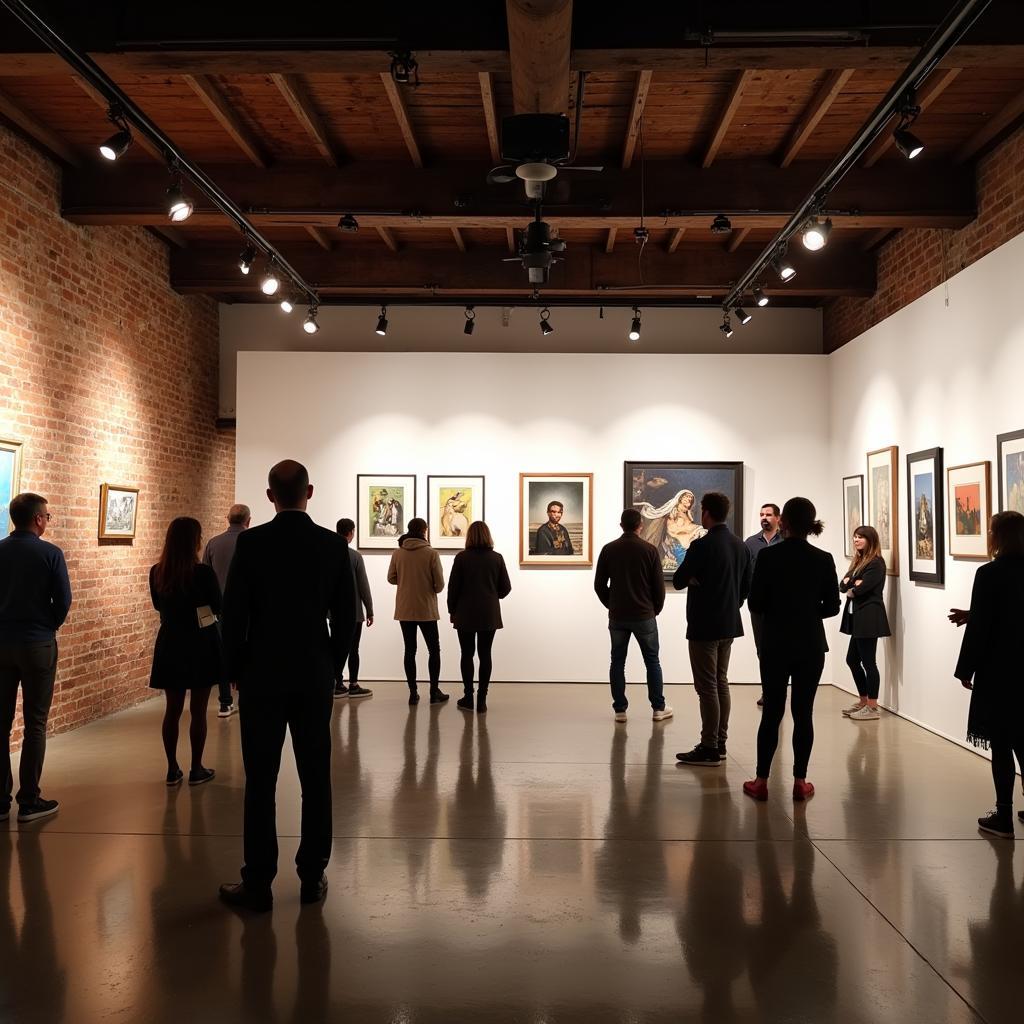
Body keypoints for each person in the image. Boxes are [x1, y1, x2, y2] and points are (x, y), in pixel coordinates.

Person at [218, 460, 354, 912]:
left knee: (260, 779)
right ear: (309, 492)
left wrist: (235, 667)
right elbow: (347, 618)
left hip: (262, 673)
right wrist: (330, 664)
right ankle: (312, 874)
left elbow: (234, 615)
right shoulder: (332, 545)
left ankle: (258, 880)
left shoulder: (253, 543)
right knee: (316, 775)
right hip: (312, 672)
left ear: (270, 495)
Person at [743, 497, 840, 801]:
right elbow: (833, 606)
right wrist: (808, 612)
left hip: (775, 643)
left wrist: (780, 611)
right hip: (810, 644)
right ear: (811, 523)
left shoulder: (769, 558)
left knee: (771, 712)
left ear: (783, 521)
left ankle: (761, 781)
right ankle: (800, 781)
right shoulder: (823, 559)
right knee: (803, 712)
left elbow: (755, 603)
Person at [0, 492, 71, 823]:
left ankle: (0, 801)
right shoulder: (50, 553)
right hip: (38, 644)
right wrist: (47, 625)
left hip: (2, 643)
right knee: (36, 723)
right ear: (38, 519)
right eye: (47, 516)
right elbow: (63, 601)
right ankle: (29, 799)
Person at [952, 511, 1024, 838]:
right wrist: (974, 614)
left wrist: (965, 669)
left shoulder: (989, 574)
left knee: (1001, 743)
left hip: (999, 671)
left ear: (998, 536)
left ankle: (1004, 816)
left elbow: (982, 628)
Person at [673, 492, 751, 766]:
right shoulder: (740, 546)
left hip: (704, 624)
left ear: (706, 512)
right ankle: (720, 743)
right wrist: (732, 603)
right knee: (720, 682)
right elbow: (746, 588)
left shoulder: (701, 546)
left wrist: (696, 579)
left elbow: (680, 580)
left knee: (706, 686)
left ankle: (709, 746)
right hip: (728, 623)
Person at [149, 517, 223, 787]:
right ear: (195, 540)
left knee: (172, 709)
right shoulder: (202, 573)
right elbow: (217, 605)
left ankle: (171, 769)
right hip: (200, 641)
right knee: (199, 710)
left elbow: (158, 606)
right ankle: (196, 767)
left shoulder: (157, 571)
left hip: (170, 641)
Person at [593, 507, 671, 723]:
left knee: (617, 661)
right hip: (644, 614)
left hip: (618, 615)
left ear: (621, 525)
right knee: (652, 661)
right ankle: (658, 708)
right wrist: (655, 609)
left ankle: (620, 710)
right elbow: (659, 587)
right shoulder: (649, 550)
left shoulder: (609, 549)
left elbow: (599, 585)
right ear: (640, 526)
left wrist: (611, 604)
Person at [447, 521, 511, 713]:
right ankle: (482, 699)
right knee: (485, 654)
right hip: (488, 612)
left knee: (466, 654)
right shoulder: (496, 558)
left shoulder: (461, 558)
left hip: (465, 613)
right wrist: (492, 594)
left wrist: (452, 611)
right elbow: (506, 588)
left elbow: (453, 588)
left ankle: (468, 696)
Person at [388, 517, 447, 705]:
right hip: (426, 609)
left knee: (409, 650)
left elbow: (391, 578)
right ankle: (433, 691)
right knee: (433, 650)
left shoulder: (398, 553)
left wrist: (406, 582)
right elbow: (439, 586)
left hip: (405, 608)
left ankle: (413, 693)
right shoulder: (431, 554)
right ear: (424, 531)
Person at [202, 503, 251, 718]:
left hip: (221, 611)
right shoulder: (252, 542)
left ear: (227, 518)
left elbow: (205, 577)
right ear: (248, 520)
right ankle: (247, 698)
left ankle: (225, 702)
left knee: (223, 655)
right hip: (249, 610)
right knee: (249, 653)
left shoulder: (213, 544)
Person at [839, 525, 891, 721]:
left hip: (869, 617)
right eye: (855, 537)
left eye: (860, 537)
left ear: (870, 540)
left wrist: (852, 584)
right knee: (852, 660)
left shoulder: (876, 563)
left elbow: (861, 589)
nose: (856, 540)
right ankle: (863, 700)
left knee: (869, 662)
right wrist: (852, 583)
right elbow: (843, 586)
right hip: (858, 617)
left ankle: (872, 706)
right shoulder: (859, 562)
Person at [744, 502, 783, 707]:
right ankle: (767, 691)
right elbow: (745, 572)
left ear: (778, 517)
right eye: (761, 514)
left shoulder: (785, 541)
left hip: (782, 606)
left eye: (768, 514)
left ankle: (779, 690)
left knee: (780, 649)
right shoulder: (751, 543)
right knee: (762, 650)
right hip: (758, 604)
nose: (764, 517)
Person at [333, 518, 373, 699]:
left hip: (333, 612)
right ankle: (354, 684)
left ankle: (336, 682)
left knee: (335, 647)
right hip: (354, 612)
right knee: (353, 649)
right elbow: (363, 586)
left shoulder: (328, 553)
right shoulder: (355, 556)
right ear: (350, 533)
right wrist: (370, 609)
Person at [639, 489, 707, 573]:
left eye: (691, 498)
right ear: (680, 498)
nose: (689, 499)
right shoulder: (669, 515)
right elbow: (660, 517)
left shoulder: (689, 518)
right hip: (672, 548)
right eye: (687, 496)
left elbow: (687, 527)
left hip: (683, 547)